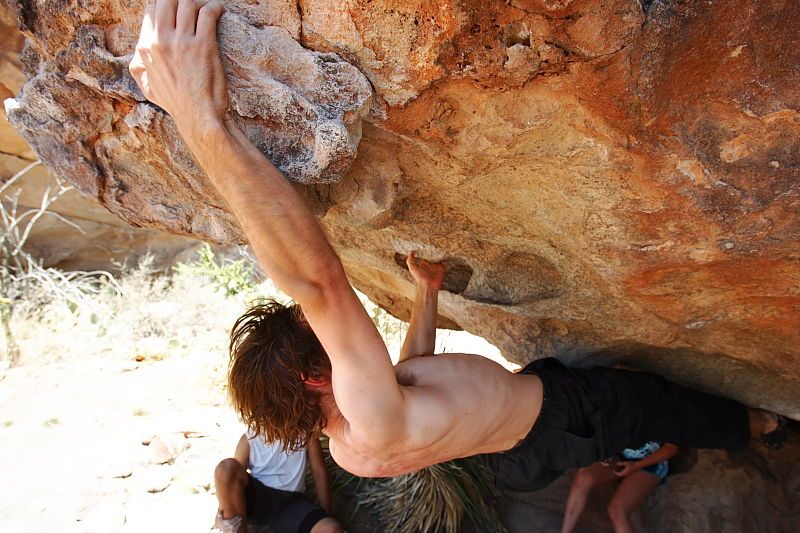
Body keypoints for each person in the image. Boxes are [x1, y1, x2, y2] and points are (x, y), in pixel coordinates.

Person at [129, 0, 787, 490]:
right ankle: (762, 425)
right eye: (318, 335)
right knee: (658, 403)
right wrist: (200, 119)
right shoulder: (367, 409)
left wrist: (425, 292)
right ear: (313, 374)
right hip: (558, 415)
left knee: (624, 398)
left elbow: (408, 373)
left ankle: (678, 430)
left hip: (515, 452)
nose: (338, 321)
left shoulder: (354, 441)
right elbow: (320, 282)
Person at [213, 431, 343, 533]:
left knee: (331, 529)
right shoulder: (249, 438)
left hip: (290, 504)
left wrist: (326, 514)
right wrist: (220, 516)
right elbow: (230, 483)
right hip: (258, 497)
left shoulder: (305, 433)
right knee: (225, 468)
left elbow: (319, 472)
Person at [561, 442, 679, 533]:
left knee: (617, 510)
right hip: (620, 456)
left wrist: (637, 465)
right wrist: (604, 452)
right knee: (583, 478)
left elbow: (672, 448)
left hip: (650, 462)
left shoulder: (663, 412)